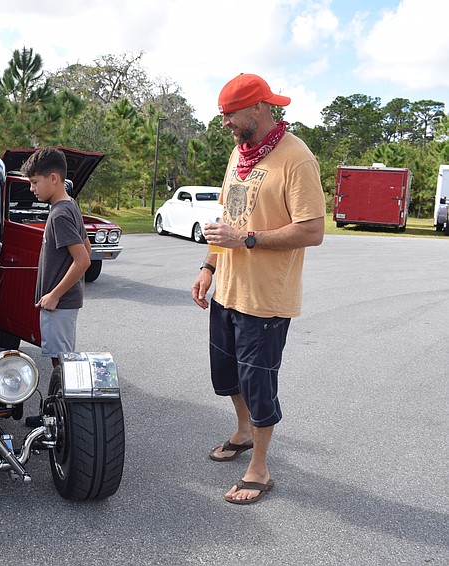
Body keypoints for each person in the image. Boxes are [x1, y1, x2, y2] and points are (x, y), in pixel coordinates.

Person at [191, 73, 326, 504]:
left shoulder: (296, 158)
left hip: (266, 300)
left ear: (258, 108)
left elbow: (313, 230)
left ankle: (261, 469)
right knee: (227, 375)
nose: (226, 123)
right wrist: (209, 265)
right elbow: (226, 216)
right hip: (228, 290)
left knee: (259, 384)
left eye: (230, 114)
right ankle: (244, 431)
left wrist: (248, 240)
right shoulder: (239, 153)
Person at [20, 147, 92, 367]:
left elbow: (83, 260)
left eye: (34, 182)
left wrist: (54, 295)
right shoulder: (70, 205)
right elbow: (86, 248)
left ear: (53, 178)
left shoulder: (59, 214)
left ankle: (63, 401)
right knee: (63, 358)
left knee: (61, 363)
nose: (32, 188)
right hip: (64, 302)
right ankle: (61, 399)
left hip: (59, 303)